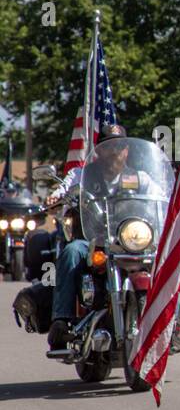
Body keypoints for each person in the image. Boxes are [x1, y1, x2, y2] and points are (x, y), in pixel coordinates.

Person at [48, 123, 134, 350]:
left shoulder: (138, 177)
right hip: (92, 241)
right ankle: (61, 319)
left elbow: (161, 194)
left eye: (120, 146)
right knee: (72, 250)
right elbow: (63, 190)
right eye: (109, 146)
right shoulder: (82, 175)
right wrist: (55, 197)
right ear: (100, 150)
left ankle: (170, 319)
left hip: (129, 242)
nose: (115, 151)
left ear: (127, 150)